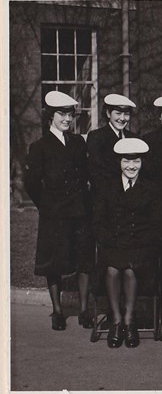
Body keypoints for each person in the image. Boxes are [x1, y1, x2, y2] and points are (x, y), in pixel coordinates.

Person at [24, 91, 95, 331]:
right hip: (54, 214)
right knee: (53, 263)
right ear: (50, 116)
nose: (67, 119)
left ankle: (85, 310)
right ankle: (57, 311)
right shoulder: (40, 146)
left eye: (70, 114)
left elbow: (86, 175)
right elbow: (31, 183)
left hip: (80, 211)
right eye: (61, 114)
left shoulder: (78, 142)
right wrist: (46, 205)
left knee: (84, 260)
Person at [92, 138, 161, 348]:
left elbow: (156, 225)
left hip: (140, 248)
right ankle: (116, 320)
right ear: (118, 162)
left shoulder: (150, 189)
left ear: (142, 162)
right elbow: (98, 222)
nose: (131, 166)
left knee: (130, 271)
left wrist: (136, 240)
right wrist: (112, 240)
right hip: (113, 246)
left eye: (136, 161)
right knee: (113, 269)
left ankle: (130, 321)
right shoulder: (107, 188)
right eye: (126, 161)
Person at [87, 94, 139, 193]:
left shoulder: (134, 138)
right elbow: (96, 171)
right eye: (118, 113)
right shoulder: (96, 137)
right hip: (105, 195)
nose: (122, 118)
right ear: (108, 113)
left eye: (126, 114)